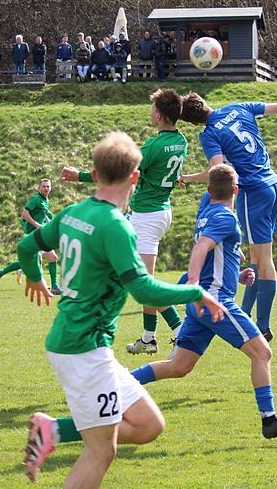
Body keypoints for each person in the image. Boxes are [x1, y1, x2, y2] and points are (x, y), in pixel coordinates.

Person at [17, 131, 226, 486]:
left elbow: (26, 245)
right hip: (83, 349)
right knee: (101, 451)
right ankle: (51, 431)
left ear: (96, 174)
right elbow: (142, 288)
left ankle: (51, 429)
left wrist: (35, 277)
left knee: (148, 425)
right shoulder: (116, 226)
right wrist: (194, 292)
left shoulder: (72, 213)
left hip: (83, 345)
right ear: (135, 177)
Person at [129, 164, 277, 439]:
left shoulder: (207, 213)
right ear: (236, 190)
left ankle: (119, 384)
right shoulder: (225, 217)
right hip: (214, 301)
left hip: (201, 302)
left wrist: (237, 275)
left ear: (208, 190)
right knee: (262, 353)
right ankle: (269, 420)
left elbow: (215, 254)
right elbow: (202, 248)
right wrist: (192, 283)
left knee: (179, 366)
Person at [179, 91, 277, 341]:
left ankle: (262, 327)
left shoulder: (209, 134)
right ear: (204, 102)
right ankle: (245, 314)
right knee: (256, 258)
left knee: (264, 261)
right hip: (273, 185)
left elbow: (220, 171)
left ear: (193, 122)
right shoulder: (239, 107)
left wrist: (189, 178)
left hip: (253, 192)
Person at [61, 89, 189, 355]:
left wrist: (79, 176)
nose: (151, 112)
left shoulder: (154, 146)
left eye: (153, 108)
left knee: (144, 284)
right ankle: (149, 338)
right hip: (158, 212)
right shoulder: (182, 141)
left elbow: (119, 173)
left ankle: (182, 333)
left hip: (147, 216)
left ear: (159, 116)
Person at [0, 179, 60, 294]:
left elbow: (43, 214)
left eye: (48, 186)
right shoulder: (36, 199)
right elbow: (24, 214)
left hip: (39, 234)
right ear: (39, 188)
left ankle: (54, 286)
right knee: (33, 262)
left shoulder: (45, 200)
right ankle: (1, 272)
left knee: (51, 258)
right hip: (31, 235)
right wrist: (36, 224)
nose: (46, 188)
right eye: (43, 186)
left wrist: (48, 221)